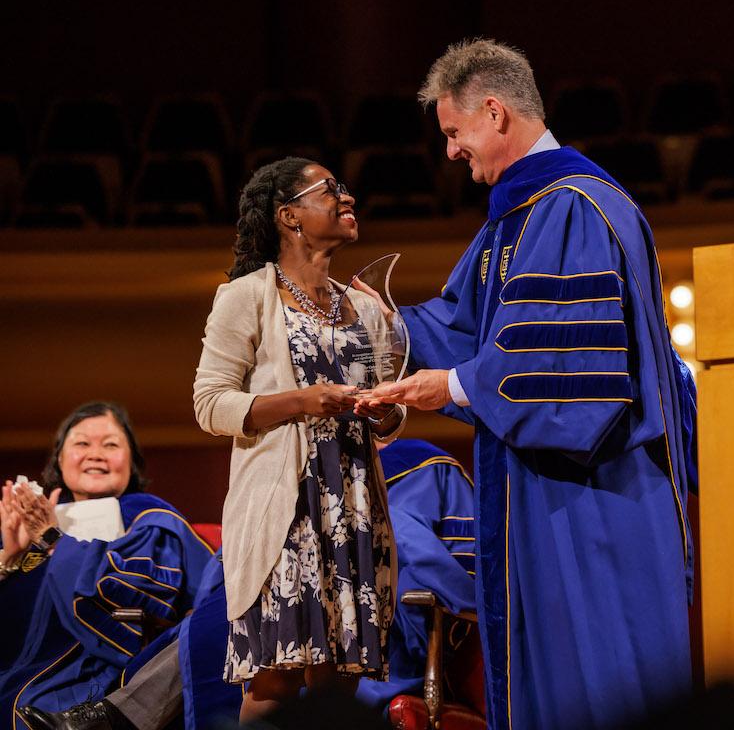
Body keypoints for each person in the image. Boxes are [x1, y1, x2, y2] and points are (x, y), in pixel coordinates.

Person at [357, 38, 695, 730]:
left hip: (594, 496)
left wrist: (452, 386)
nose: (452, 152)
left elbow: (566, 374)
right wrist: (370, 324)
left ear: (493, 112)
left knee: (598, 684)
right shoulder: (521, 219)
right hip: (544, 496)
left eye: (455, 133)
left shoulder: (573, 206)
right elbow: (466, 325)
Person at [18, 438, 478, 730]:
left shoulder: (421, 464)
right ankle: (113, 715)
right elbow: (227, 567)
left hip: (381, 617)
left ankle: (116, 717)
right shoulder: (287, 471)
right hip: (276, 614)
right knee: (230, 615)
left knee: (248, 613)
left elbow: (462, 567)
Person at [191, 158, 403, 723]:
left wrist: (384, 411)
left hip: (352, 505)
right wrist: (304, 402)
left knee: (337, 679)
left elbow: (388, 409)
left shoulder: (363, 308)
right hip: (285, 509)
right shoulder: (246, 297)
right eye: (330, 189)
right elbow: (210, 405)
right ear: (289, 215)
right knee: (273, 679)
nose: (347, 197)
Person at [0, 402, 214, 729]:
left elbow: (135, 599)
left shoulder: (145, 514)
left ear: (132, 462)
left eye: (111, 444)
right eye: (82, 443)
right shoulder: (25, 523)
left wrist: (53, 538)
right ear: (59, 459)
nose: (95, 453)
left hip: (94, 680)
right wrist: (9, 561)